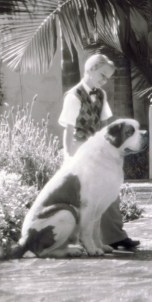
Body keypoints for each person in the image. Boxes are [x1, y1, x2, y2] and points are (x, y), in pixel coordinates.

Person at [57, 53, 140, 252]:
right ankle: (79, 240)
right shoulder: (73, 96)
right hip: (80, 150)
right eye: (102, 76)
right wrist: (69, 157)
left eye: (107, 78)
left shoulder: (100, 95)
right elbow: (68, 131)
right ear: (91, 69)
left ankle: (113, 236)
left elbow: (104, 125)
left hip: (97, 150)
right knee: (85, 197)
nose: (104, 81)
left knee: (108, 191)